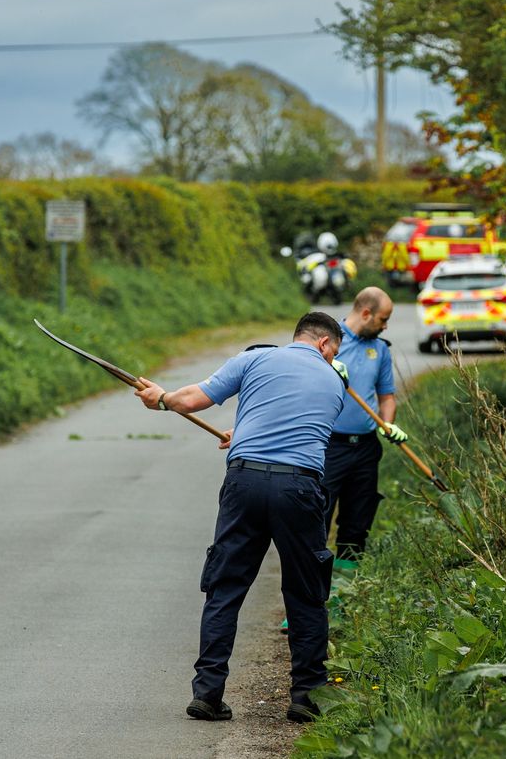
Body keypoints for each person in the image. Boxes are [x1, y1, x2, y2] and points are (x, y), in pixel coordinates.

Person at [134, 311, 347, 724]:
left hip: (244, 481)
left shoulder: (255, 360)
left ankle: (208, 693)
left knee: (225, 588)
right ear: (323, 344)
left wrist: (161, 398)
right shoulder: (335, 382)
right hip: (300, 490)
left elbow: (192, 399)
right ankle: (306, 696)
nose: (332, 360)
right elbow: (297, 424)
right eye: (333, 352)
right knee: (306, 594)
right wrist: (248, 433)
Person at [322, 286, 408, 568]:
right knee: (317, 518)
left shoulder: (380, 349)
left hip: (365, 448)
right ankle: (307, 601)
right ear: (366, 313)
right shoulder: (326, 342)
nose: (385, 326)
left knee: (357, 522)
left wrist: (388, 424)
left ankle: (343, 590)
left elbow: (387, 396)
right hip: (328, 447)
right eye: (383, 319)